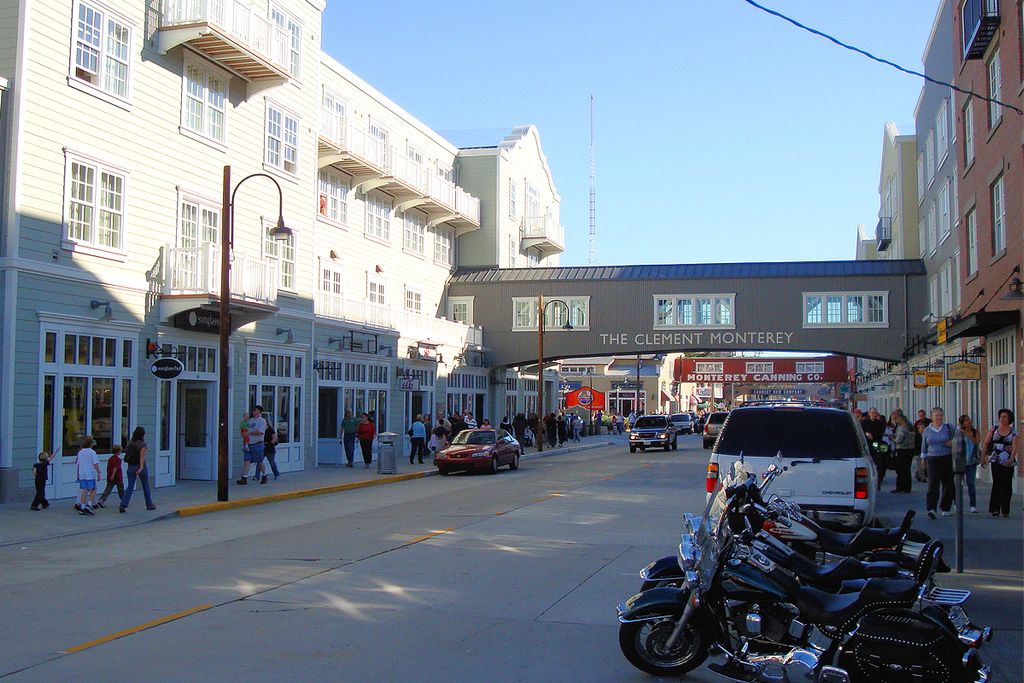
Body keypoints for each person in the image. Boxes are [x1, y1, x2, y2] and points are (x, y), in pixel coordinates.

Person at [981, 409, 1017, 517]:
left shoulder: (1013, 431)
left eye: (1005, 417)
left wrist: (1011, 459)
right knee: (997, 483)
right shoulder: (994, 429)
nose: (1002, 419)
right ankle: (995, 509)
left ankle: (1005, 509)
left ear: (1009, 418)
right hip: (996, 459)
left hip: (1007, 460)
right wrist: (983, 457)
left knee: (1007, 484)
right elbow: (986, 443)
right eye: (1001, 416)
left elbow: (1015, 447)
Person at [921, 407, 955, 519]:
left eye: (941, 415)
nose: (939, 418)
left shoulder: (948, 428)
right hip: (932, 458)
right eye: (936, 415)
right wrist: (923, 459)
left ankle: (945, 507)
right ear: (932, 417)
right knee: (933, 484)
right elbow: (924, 445)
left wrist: (952, 443)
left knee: (947, 483)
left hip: (946, 457)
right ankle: (931, 508)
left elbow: (958, 439)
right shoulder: (927, 430)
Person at [120, 427, 156, 512]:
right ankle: (149, 504)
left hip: (130, 466)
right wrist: (141, 467)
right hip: (139, 466)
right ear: (142, 434)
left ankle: (123, 504)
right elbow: (142, 457)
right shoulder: (143, 444)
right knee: (145, 485)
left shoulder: (130, 442)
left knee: (130, 486)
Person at [237, 406, 267, 485]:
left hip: (257, 444)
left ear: (259, 411)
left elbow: (260, 432)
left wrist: (249, 433)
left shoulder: (262, 421)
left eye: (255, 410)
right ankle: (244, 477)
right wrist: (243, 433)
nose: (253, 411)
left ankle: (264, 475)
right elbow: (246, 429)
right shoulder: (250, 420)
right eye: (253, 410)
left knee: (259, 461)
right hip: (248, 443)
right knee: (247, 460)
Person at [860, 407, 888, 490]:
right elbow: (860, 432)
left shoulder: (879, 424)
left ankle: (879, 480)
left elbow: (880, 435)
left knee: (879, 463)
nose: (874, 415)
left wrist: (873, 437)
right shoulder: (864, 422)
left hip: (876, 444)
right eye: (873, 413)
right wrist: (866, 434)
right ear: (869, 413)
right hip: (867, 445)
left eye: (875, 413)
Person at [958, 415, 981, 513]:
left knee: (971, 483)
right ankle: (957, 503)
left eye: (969, 420)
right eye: (966, 420)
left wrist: (969, 435)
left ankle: (973, 505)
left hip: (971, 461)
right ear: (962, 423)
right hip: (961, 461)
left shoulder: (975, 432)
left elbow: (977, 442)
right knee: (959, 484)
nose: (969, 422)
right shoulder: (959, 432)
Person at [75, 435, 101, 515]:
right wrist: (98, 473)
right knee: (93, 489)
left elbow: (78, 464)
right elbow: (95, 464)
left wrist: (78, 475)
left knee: (85, 490)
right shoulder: (92, 452)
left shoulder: (80, 452)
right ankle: (89, 504)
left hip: (82, 474)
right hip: (90, 474)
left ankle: (82, 505)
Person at [890, 411, 915, 494]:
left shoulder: (901, 428)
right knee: (907, 469)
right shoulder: (910, 427)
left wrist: (892, 438)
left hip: (902, 450)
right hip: (910, 449)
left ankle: (900, 487)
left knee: (900, 469)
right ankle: (908, 487)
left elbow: (899, 440)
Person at [96, 444, 125, 508]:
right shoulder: (118, 459)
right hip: (117, 477)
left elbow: (109, 468)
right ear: (118, 451)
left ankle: (101, 500)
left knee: (108, 489)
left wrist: (110, 475)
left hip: (110, 477)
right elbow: (115, 468)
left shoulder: (110, 459)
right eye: (120, 451)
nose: (121, 452)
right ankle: (124, 501)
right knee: (121, 490)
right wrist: (113, 475)